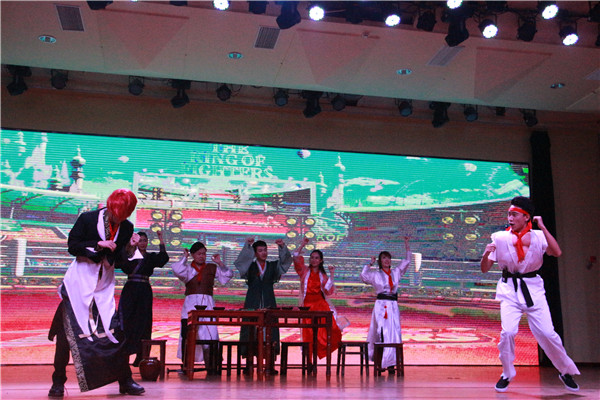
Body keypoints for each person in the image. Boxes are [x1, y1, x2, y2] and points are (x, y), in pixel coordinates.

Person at [47, 188, 144, 397]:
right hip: (78, 285)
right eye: (117, 213)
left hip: (103, 288)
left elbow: (121, 262)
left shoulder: (127, 227)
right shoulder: (88, 219)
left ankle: (125, 381)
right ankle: (58, 382)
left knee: (114, 333)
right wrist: (97, 244)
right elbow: (72, 246)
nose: (119, 218)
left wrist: (130, 248)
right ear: (110, 206)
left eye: (124, 215)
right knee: (66, 335)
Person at [480, 196, 580, 392]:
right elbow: (485, 268)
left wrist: (542, 227)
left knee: (548, 333)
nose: (510, 218)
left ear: (526, 217)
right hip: (509, 289)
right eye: (509, 214)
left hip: (533, 288)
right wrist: (486, 253)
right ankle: (507, 373)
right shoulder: (499, 237)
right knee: (508, 332)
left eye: (514, 214)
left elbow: (556, 252)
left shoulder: (539, 236)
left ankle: (565, 370)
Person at [234, 237, 292, 374]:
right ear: (254, 253)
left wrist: (282, 247)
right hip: (252, 300)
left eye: (265, 250)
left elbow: (285, 262)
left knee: (270, 330)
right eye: (260, 250)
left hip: (268, 299)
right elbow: (241, 262)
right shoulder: (250, 266)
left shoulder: (272, 266)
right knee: (250, 330)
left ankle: (269, 364)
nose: (263, 253)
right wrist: (248, 246)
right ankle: (249, 364)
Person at [171, 241, 233, 368]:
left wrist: (220, 263)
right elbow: (177, 270)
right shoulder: (188, 269)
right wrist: (184, 257)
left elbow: (227, 275)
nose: (201, 256)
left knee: (210, 333)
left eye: (204, 254)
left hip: (207, 304)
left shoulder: (211, 268)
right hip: (190, 305)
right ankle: (187, 365)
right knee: (188, 334)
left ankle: (212, 365)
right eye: (199, 254)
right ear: (193, 255)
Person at [118, 230, 170, 367]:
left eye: (145, 240)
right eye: (140, 240)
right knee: (127, 320)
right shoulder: (129, 256)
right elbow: (121, 263)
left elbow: (163, 259)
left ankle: (141, 356)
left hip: (144, 291)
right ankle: (124, 354)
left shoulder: (150, 257)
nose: (143, 243)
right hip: (130, 290)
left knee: (144, 321)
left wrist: (161, 239)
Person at [360, 236, 411, 374]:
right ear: (380, 261)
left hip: (393, 305)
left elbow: (407, 261)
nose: (387, 260)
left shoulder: (396, 272)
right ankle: (380, 362)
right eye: (383, 258)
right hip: (381, 305)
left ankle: (391, 363)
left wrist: (406, 244)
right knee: (381, 332)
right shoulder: (375, 275)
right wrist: (369, 264)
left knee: (394, 333)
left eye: (388, 258)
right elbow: (364, 276)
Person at [292, 237, 347, 361]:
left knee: (328, 331)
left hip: (321, 306)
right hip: (307, 307)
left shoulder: (323, 275)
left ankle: (322, 356)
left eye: (317, 258)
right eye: (312, 257)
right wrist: (302, 244)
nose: (314, 260)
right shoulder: (304, 271)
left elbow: (328, 291)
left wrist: (332, 274)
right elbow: (295, 256)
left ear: (321, 260)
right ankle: (309, 361)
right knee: (308, 334)